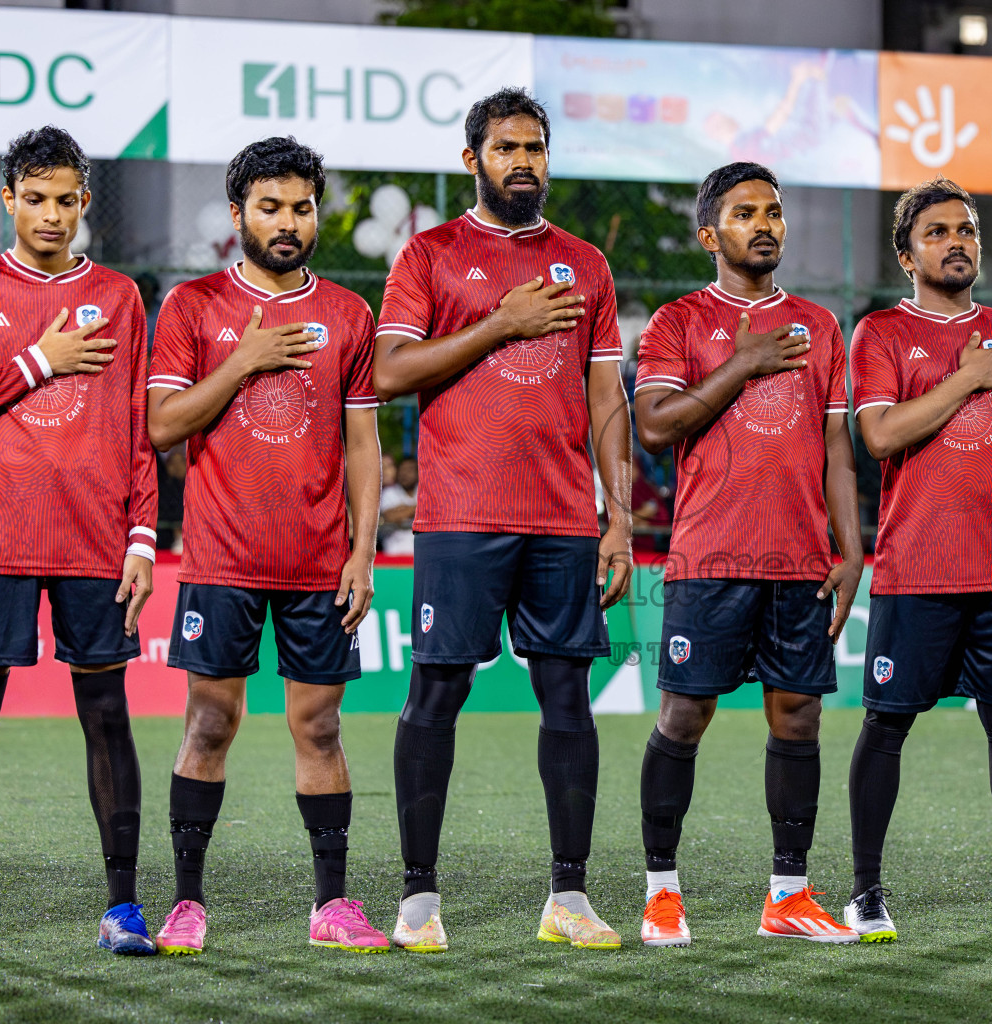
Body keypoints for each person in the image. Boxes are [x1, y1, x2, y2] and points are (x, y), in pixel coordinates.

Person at [373, 87, 633, 953]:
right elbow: (392, 370)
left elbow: (606, 398)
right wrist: (502, 321)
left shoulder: (585, 263)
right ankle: (417, 900)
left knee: (568, 696)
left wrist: (619, 512)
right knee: (436, 691)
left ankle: (569, 897)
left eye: (536, 147)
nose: (524, 161)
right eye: (507, 147)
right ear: (472, 160)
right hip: (461, 516)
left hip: (563, 519)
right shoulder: (431, 254)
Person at [0, 125, 157, 960]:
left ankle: (123, 908)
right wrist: (38, 360)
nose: (51, 215)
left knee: (107, 716)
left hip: (96, 545)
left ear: (85, 201)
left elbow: (138, 426)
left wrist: (142, 536)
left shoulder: (122, 298)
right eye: (36, 198)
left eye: (66, 199)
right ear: (8, 199)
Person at [147, 136, 385, 955]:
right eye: (272, 207)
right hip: (222, 558)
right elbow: (163, 426)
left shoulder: (351, 315)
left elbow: (363, 446)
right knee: (209, 724)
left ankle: (334, 906)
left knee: (320, 731)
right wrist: (243, 359)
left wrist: (362, 553)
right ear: (238, 211)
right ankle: (185, 903)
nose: (288, 223)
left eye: (302, 207)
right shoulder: (191, 308)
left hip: (320, 562)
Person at [632, 162, 862, 948]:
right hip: (710, 555)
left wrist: (851, 545)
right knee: (684, 715)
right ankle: (662, 893)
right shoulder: (677, 322)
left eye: (773, 211)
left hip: (800, 559)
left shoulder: (820, 326)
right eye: (743, 214)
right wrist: (743, 362)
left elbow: (836, 445)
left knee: (798, 718)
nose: (764, 224)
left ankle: (788, 896)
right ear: (710, 235)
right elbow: (656, 424)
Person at [845, 177, 992, 942]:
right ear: (906, 253)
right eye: (939, 231)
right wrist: (968, 377)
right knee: (886, 727)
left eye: (967, 229)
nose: (958, 242)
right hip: (916, 570)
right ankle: (866, 893)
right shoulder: (879, 333)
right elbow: (879, 436)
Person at [378, 457, 418, 556]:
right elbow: (390, 516)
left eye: (409, 470)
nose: (404, 474)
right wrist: (417, 507)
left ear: (418, 473)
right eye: (402, 470)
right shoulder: (389, 492)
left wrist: (402, 510)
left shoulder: (424, 492)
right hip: (393, 553)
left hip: (418, 553)